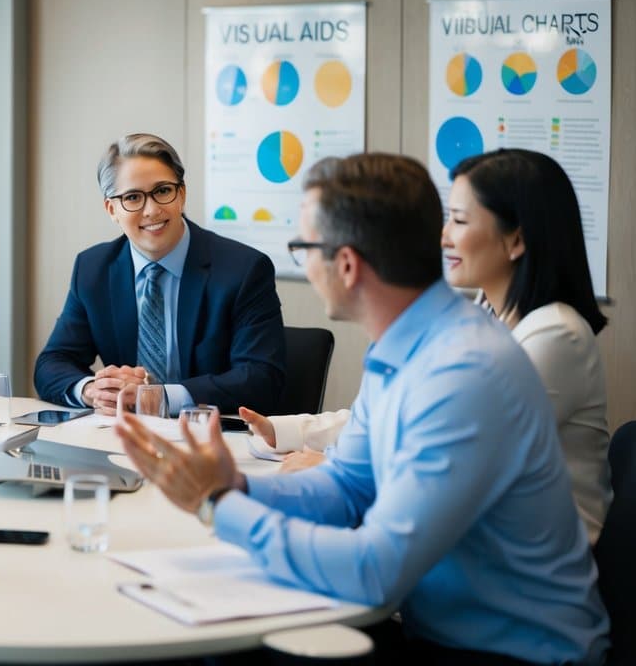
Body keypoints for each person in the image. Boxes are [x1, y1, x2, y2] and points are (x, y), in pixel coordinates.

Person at [117, 153, 608, 665]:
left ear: (347, 264)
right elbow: (348, 487)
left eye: (304, 248)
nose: (303, 265)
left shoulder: (466, 371)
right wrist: (236, 486)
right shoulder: (402, 343)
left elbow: (375, 570)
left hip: (515, 653)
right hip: (439, 629)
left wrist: (217, 505)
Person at [238, 148, 612, 543]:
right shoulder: (480, 313)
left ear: (516, 238)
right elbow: (386, 425)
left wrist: (331, 470)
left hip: (531, 557)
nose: (444, 236)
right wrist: (288, 431)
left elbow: (442, 452)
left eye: (460, 220)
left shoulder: (554, 336)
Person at [33, 133, 285, 416]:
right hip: (122, 439)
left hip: (213, 440)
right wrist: (94, 390)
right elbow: (51, 363)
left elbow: (261, 378)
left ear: (182, 194)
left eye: (163, 191)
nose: (152, 210)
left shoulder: (243, 269)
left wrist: (160, 396)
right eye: (132, 198)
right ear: (111, 209)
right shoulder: (93, 269)